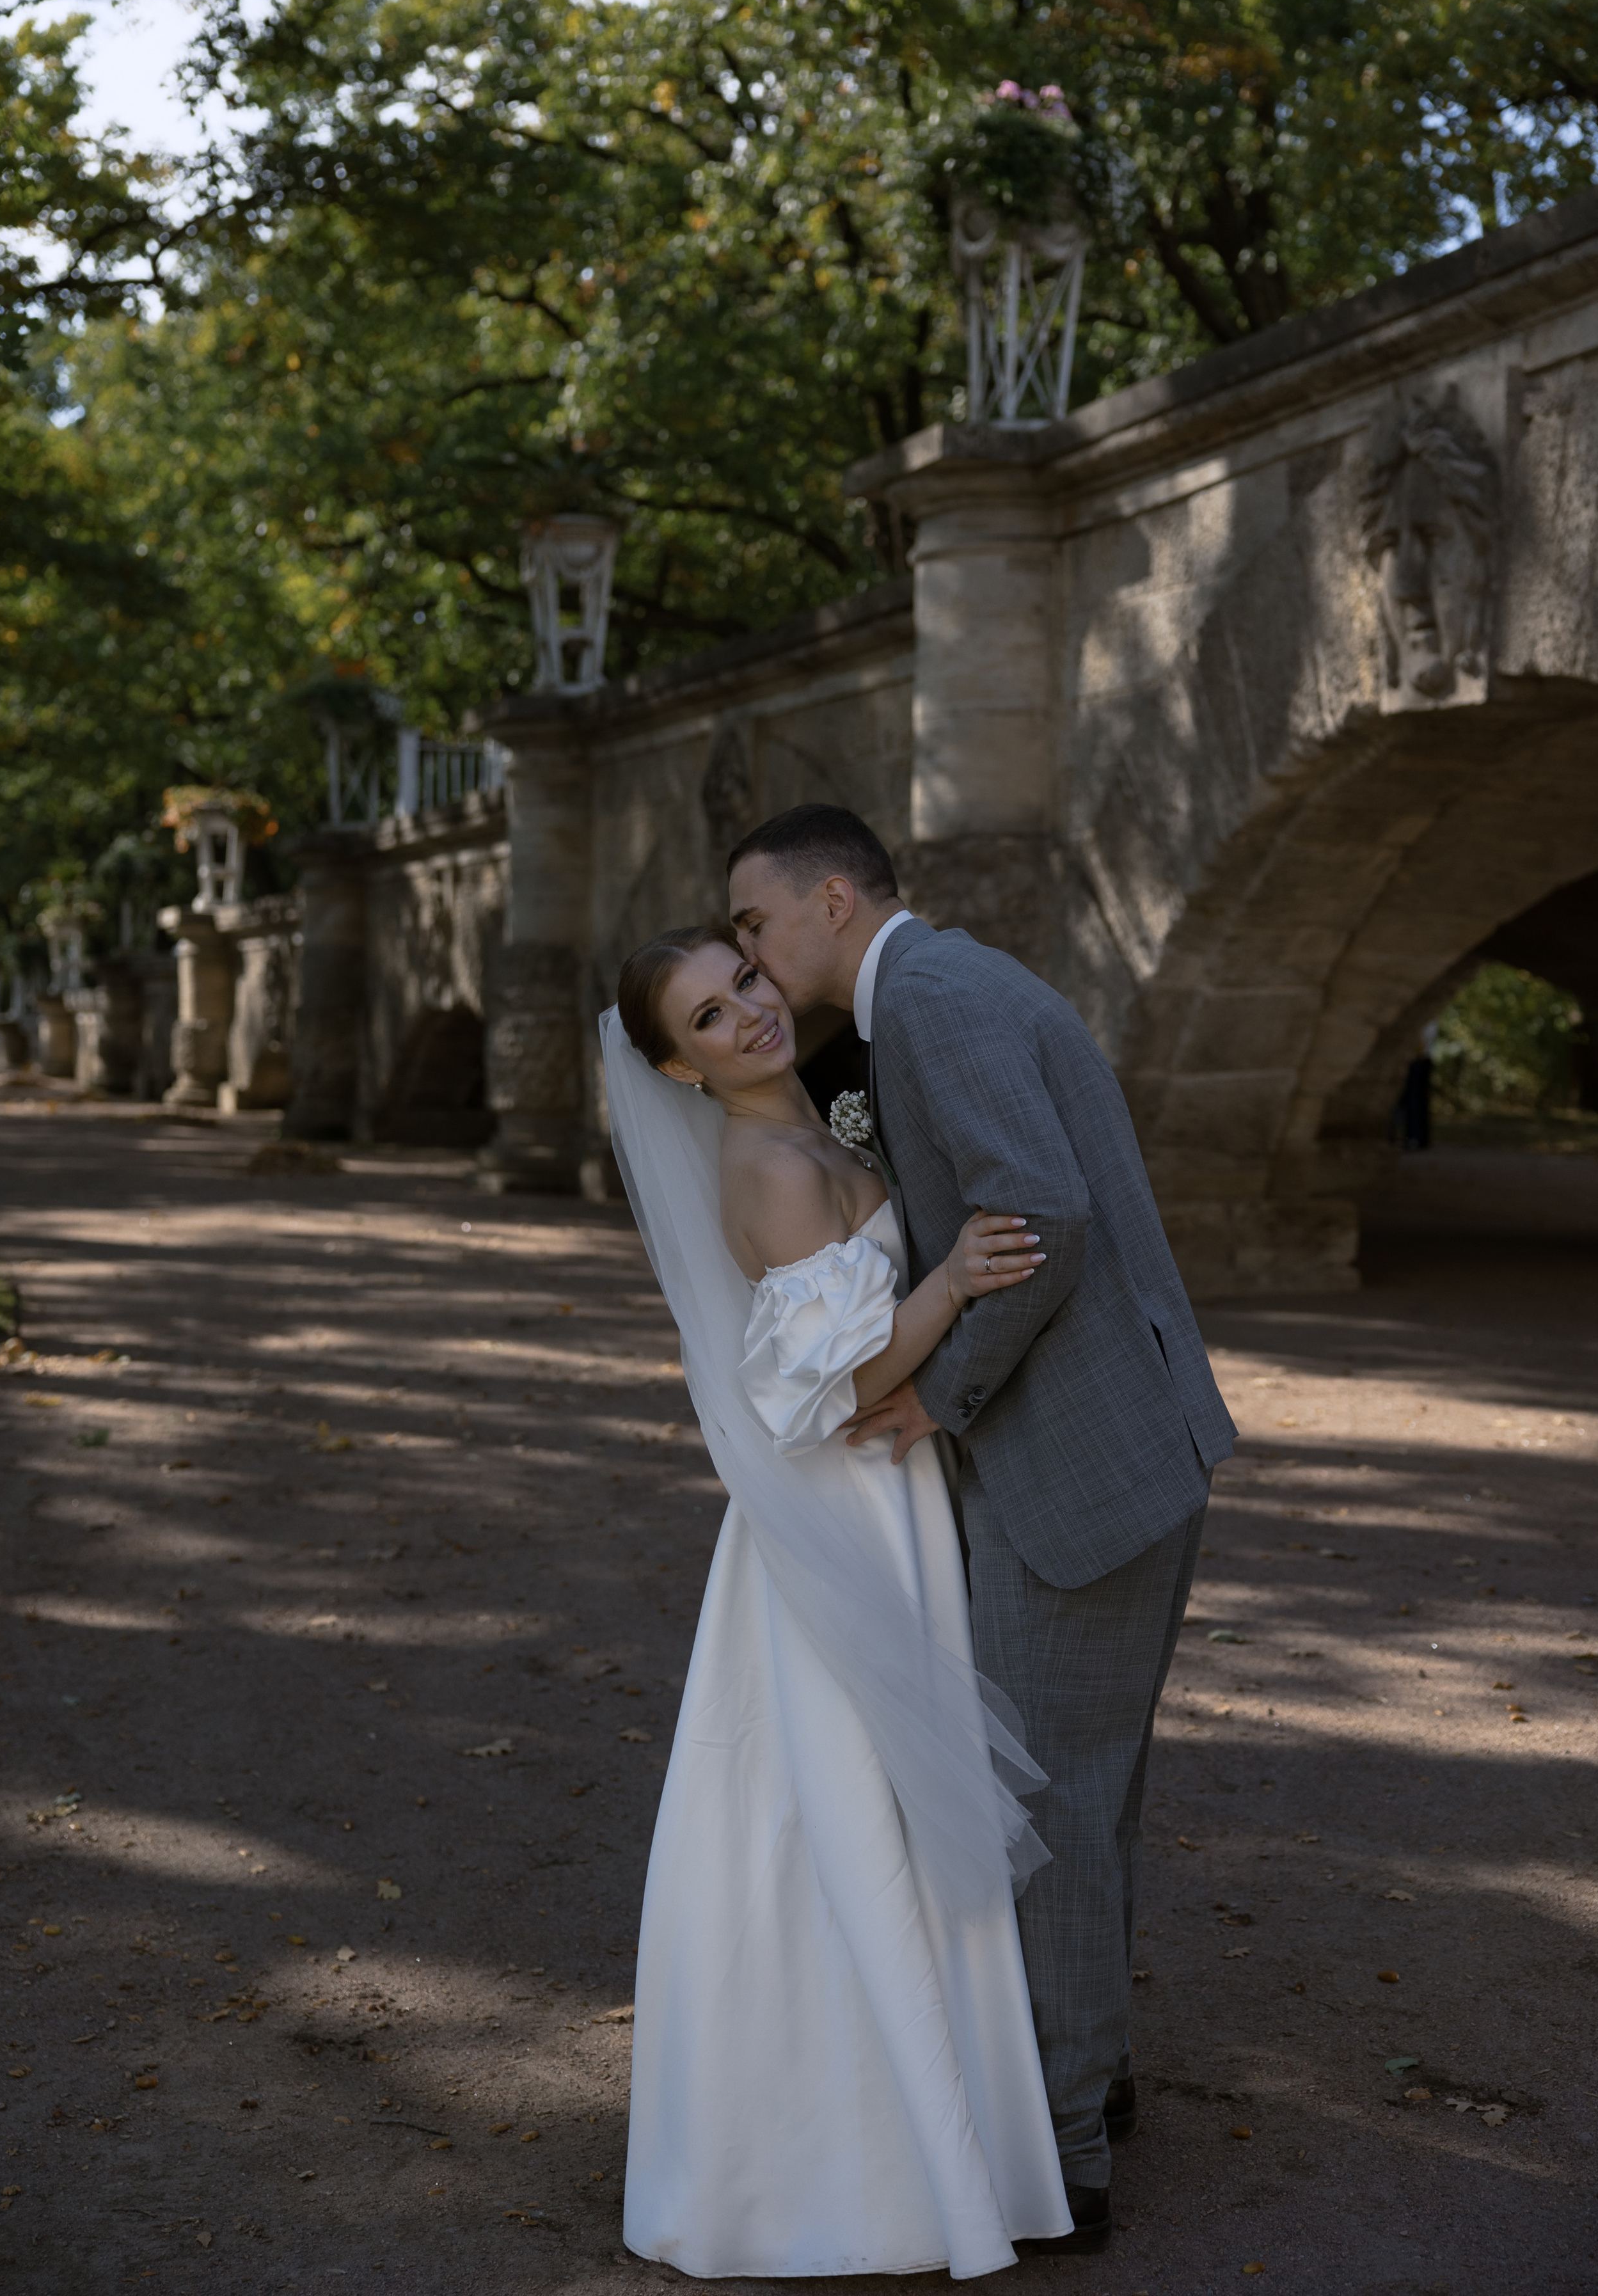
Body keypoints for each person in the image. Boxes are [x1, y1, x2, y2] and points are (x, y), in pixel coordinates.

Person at [727, 804, 1238, 2249]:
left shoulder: (932, 1003)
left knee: (1047, 1812)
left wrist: (940, 1394)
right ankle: (1093, 2080)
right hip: (1122, 1446)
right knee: (1088, 1793)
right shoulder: (949, 988)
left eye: (756, 926)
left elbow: (1040, 1219)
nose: (753, 962)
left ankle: (1061, 2150)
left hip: (1070, 1466)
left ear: (831, 899)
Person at [605, 929, 1074, 2279]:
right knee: (838, 1815)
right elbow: (825, 1392)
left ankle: (939, 2136)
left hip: (888, 1507)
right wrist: (951, 1278)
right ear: (674, 1068)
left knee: (873, 1815)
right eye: (709, 1016)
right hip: (844, 1520)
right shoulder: (763, 1167)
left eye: (745, 981)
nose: (749, 1014)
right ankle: (846, 2175)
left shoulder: (832, 1110)